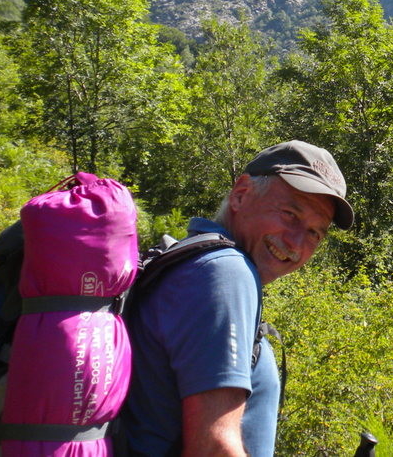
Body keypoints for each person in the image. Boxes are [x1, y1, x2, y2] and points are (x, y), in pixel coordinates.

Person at [121, 140, 354, 456]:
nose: (297, 243)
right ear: (241, 193)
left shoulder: (192, 259)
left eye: (315, 232)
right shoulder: (226, 273)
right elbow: (213, 446)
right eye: (290, 214)